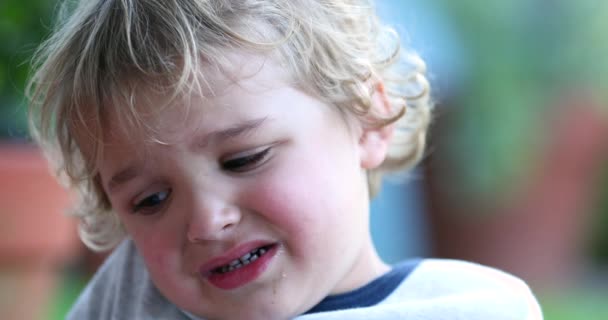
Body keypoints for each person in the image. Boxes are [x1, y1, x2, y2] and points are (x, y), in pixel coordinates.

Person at [27, 0, 543, 319]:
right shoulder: (133, 297)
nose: (207, 222)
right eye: (152, 200)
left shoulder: (472, 310)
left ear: (367, 118)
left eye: (243, 159)